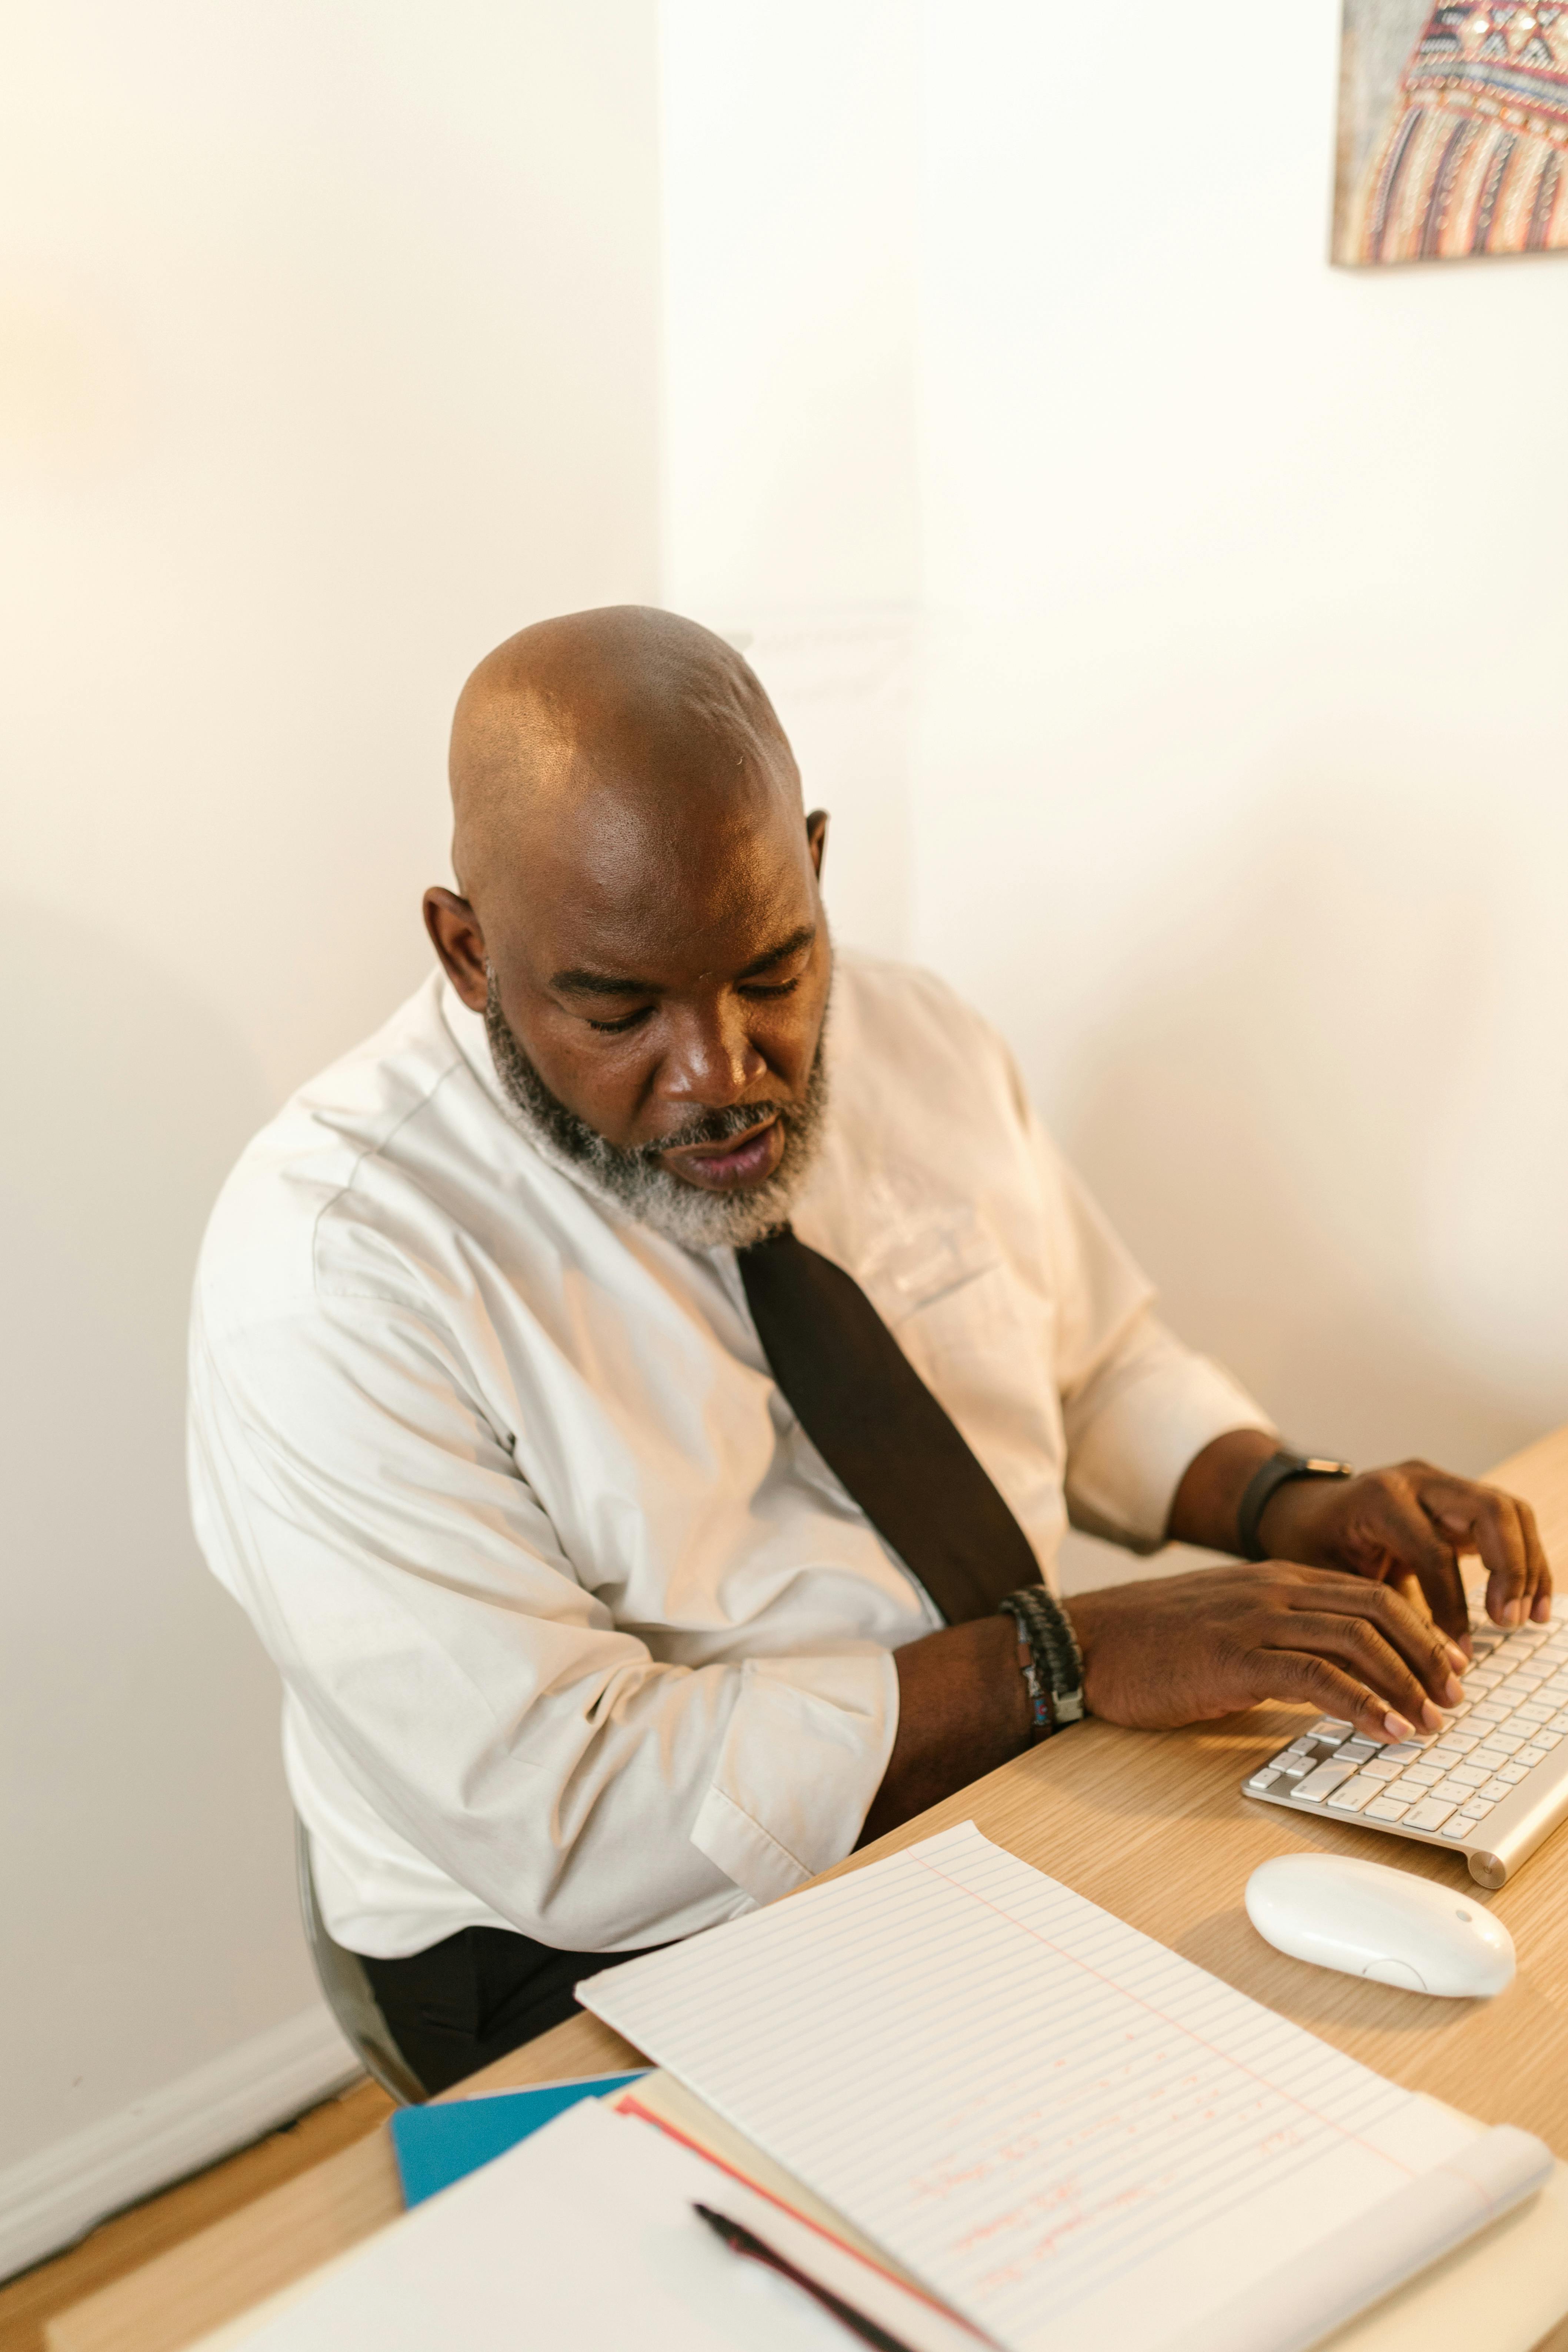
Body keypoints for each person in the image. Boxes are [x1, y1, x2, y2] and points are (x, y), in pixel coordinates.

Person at [189, 606, 1551, 2092]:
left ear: (815, 865)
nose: (724, 1071)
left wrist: (1285, 1494)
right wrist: (1060, 1658)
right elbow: (559, 1812)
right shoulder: (332, 1263)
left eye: (772, 968)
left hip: (987, 1763)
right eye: (622, 1008)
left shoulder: (918, 1035)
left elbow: (1091, 1362)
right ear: (468, 949)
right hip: (578, 1940)